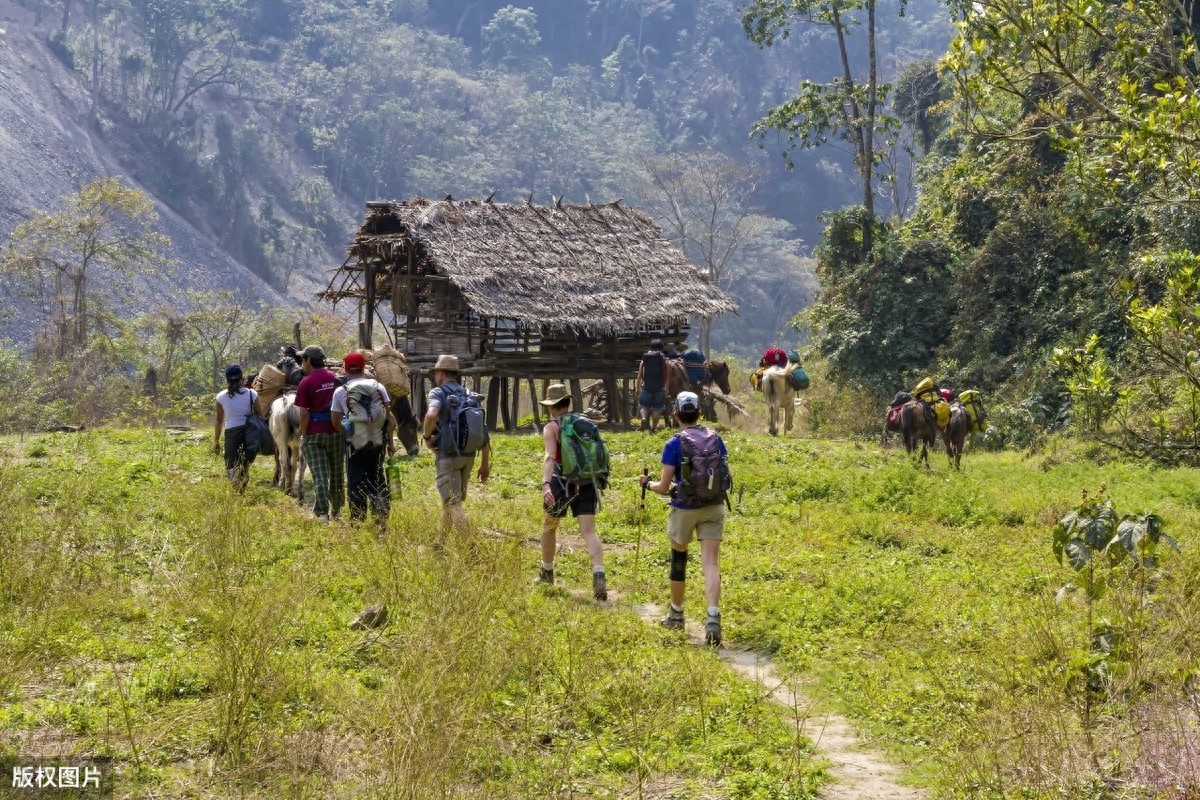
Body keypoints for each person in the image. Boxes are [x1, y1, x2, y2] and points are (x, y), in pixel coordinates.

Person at [639, 391, 730, 647]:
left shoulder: (674, 444)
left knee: (679, 559)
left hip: (684, 508)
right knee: (710, 563)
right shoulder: (716, 438)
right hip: (714, 506)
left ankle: (676, 614)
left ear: (675, 415)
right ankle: (713, 617)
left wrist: (646, 483)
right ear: (699, 413)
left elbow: (663, 486)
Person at [534, 384, 608, 600]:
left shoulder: (552, 427)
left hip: (562, 483)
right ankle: (598, 574)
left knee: (549, 526)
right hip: (587, 481)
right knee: (589, 532)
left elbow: (550, 456)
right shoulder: (584, 421)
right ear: (567, 403)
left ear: (552, 406)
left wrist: (546, 484)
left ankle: (546, 573)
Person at [422, 354, 490, 542]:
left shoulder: (438, 392)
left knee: (454, 504)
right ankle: (440, 543)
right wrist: (485, 464)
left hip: (449, 455)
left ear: (441, 373)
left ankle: (471, 548)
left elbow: (431, 415)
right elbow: (482, 430)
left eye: (436, 372)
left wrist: (427, 437)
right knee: (449, 503)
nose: (436, 376)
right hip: (468, 455)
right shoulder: (469, 394)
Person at [331, 351, 397, 524]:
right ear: (363, 368)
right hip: (378, 442)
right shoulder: (378, 387)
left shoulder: (340, 391)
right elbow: (389, 418)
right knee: (377, 477)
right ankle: (381, 517)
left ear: (345, 369)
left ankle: (358, 521)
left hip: (355, 445)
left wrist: (347, 436)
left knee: (356, 481)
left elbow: (335, 421)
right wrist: (390, 442)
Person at [295, 345, 344, 520]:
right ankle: (337, 510)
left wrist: (303, 432)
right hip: (336, 432)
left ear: (308, 360)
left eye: (303, 359)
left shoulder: (306, 382)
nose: (302, 363)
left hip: (314, 435)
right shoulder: (335, 378)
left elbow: (303, 413)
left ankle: (322, 513)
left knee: (320, 473)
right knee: (337, 472)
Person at [213, 364, 259, 492]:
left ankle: (236, 490)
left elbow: (219, 421)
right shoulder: (252, 394)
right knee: (244, 462)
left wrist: (216, 441)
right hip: (249, 433)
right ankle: (242, 488)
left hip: (231, 434)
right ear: (242, 379)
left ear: (227, 379)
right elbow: (259, 415)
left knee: (230, 463)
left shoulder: (221, 397)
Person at [637, 338, 669, 432]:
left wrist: (637, 388)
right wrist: (666, 388)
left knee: (644, 405)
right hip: (659, 387)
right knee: (657, 408)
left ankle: (643, 418)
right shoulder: (663, 360)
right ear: (661, 348)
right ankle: (653, 428)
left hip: (646, 386)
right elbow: (667, 376)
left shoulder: (645, 360)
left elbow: (639, 375)